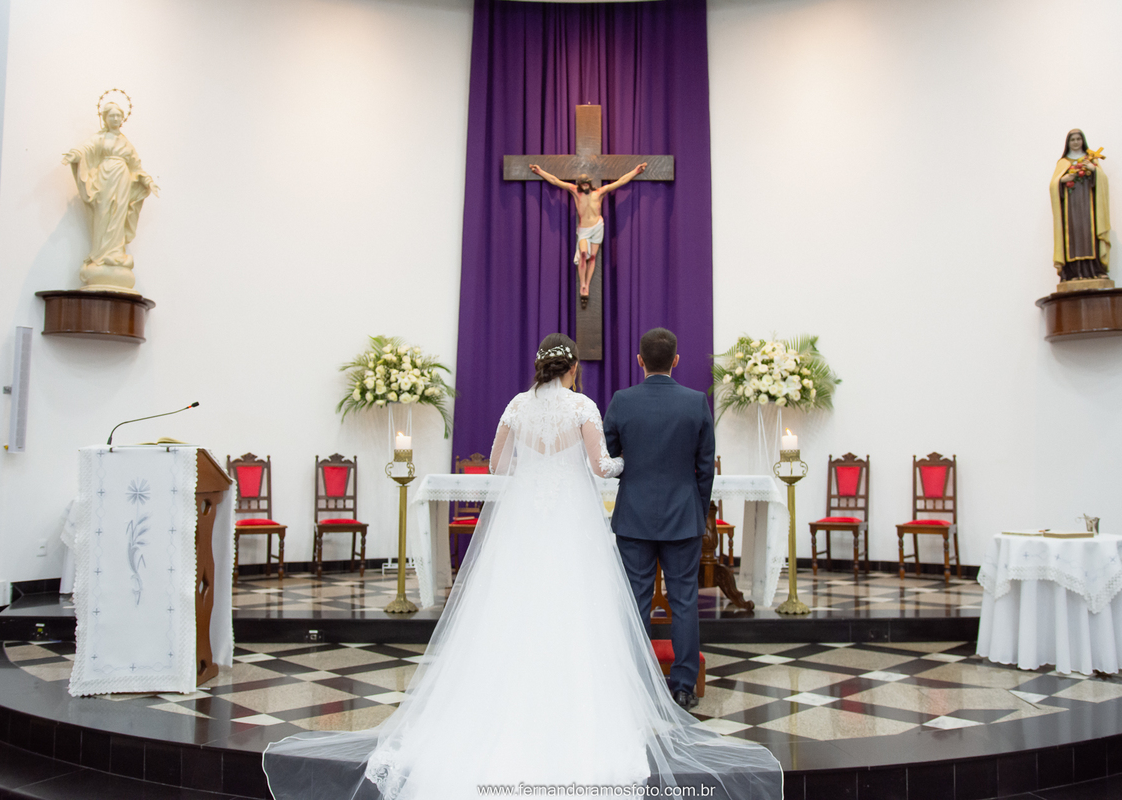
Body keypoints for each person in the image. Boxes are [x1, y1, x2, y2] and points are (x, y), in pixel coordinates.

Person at [261, 332, 782, 799]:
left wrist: (545, 470)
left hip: (529, 522)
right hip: (599, 521)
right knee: (603, 603)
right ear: (572, 367)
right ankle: (653, 689)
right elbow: (605, 465)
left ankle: (504, 698)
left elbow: (496, 466)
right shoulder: (589, 407)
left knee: (519, 602)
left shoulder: (517, 404)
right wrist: (634, 469)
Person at [603, 327, 713, 712]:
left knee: (636, 601)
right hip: (683, 517)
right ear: (676, 361)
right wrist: (698, 511)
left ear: (640, 361)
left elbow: (610, 458)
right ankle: (683, 687)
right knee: (684, 602)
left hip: (634, 517)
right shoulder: (696, 401)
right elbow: (705, 468)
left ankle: (637, 685)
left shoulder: (623, 401)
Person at [62, 101, 157, 293]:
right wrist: (74, 156)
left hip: (122, 180)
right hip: (104, 178)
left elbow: (136, 167)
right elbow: (85, 149)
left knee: (118, 215)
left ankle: (115, 253)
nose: (115, 119)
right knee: (104, 213)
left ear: (122, 119)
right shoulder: (100, 138)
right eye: (111, 115)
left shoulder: (126, 143)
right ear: (105, 118)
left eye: (118, 116)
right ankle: (100, 254)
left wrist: (147, 180)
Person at [528, 162, 646, 307]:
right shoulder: (574, 192)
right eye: (582, 184)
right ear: (579, 185)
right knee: (583, 253)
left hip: (597, 227)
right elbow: (555, 181)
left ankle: (586, 286)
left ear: (589, 184)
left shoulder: (599, 193)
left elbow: (620, 181)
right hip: (584, 229)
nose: (584, 187)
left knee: (593, 257)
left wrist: (635, 171)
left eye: (586, 184)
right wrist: (540, 172)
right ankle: (582, 283)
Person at [1050, 128, 1110, 282]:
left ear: (1083, 141)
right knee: (1073, 235)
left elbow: (1102, 181)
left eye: (1078, 139)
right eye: (1072, 140)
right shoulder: (1063, 163)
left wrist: (1093, 171)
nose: (1076, 143)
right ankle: (1072, 272)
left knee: (1090, 233)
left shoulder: (1091, 159)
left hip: (1089, 206)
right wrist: (1062, 180)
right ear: (1068, 143)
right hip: (1070, 208)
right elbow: (1053, 185)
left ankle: (1095, 269)